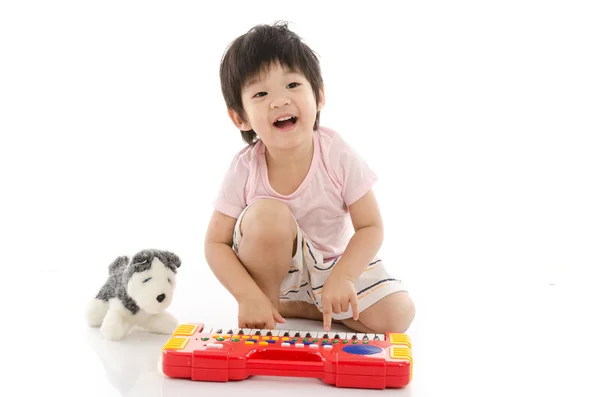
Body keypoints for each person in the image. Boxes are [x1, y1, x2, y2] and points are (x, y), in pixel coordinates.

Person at [204, 21, 415, 334]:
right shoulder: (245, 168)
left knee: (399, 315)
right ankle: (269, 301)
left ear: (318, 96)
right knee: (267, 215)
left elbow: (370, 226)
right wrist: (247, 296)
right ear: (240, 117)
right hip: (274, 273)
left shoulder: (336, 153)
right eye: (261, 93)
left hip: (333, 266)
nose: (279, 101)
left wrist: (343, 277)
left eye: (292, 85)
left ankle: (308, 305)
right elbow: (215, 243)